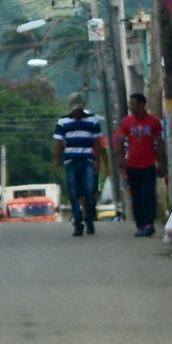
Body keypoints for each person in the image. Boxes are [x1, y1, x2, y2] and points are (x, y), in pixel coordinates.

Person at [53, 92, 107, 236]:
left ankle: (88, 219)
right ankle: (78, 222)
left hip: (88, 160)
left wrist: (97, 160)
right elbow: (58, 142)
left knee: (89, 190)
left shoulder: (92, 121)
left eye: (79, 109)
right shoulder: (63, 122)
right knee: (73, 192)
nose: (77, 112)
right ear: (71, 109)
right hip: (71, 161)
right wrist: (56, 159)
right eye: (75, 109)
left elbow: (97, 142)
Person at [112, 92, 165, 237]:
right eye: (130, 103)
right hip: (132, 165)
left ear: (142, 104)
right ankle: (140, 224)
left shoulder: (153, 121)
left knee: (148, 194)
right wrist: (121, 157)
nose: (131, 106)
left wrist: (160, 162)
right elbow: (120, 140)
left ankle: (149, 223)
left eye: (133, 103)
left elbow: (159, 142)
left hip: (148, 164)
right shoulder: (127, 122)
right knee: (136, 196)